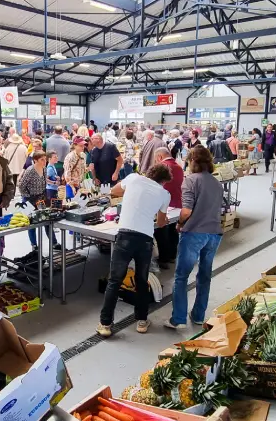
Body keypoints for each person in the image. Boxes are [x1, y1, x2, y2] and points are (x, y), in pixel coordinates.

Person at [96, 164, 172, 338]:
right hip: (144, 240)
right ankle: (142, 322)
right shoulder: (164, 194)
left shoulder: (133, 178)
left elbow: (114, 191)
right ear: (163, 181)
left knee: (114, 280)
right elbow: (161, 223)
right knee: (141, 280)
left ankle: (105, 324)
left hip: (124, 236)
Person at [164, 145, 224, 329]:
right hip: (214, 233)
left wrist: (180, 223)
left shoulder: (190, 180)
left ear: (192, 161)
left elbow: (187, 209)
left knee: (182, 276)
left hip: (194, 233)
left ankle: (178, 318)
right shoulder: (217, 183)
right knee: (205, 275)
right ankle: (198, 315)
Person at [18, 151, 58, 250]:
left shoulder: (44, 169)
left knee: (46, 220)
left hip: (41, 199)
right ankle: (34, 245)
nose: (44, 162)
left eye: (45, 159)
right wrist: (28, 198)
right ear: (35, 160)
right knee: (31, 223)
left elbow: (44, 183)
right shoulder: (30, 170)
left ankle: (54, 243)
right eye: (42, 160)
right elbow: (21, 186)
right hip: (29, 200)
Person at [152, 147, 182, 270]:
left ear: (159, 157)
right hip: (177, 203)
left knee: (161, 230)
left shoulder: (161, 168)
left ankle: (163, 258)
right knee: (173, 231)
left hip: (163, 204)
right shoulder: (179, 167)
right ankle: (172, 255)